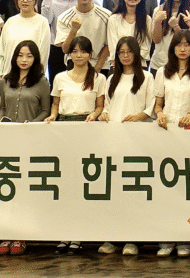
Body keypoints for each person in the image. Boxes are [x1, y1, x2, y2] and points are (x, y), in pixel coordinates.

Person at [45, 36, 107, 256]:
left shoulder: (99, 78)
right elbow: (55, 104)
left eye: (83, 51)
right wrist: (52, 117)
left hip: (87, 130)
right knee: (65, 184)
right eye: (75, 51)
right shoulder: (60, 77)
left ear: (91, 54)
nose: (79, 55)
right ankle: (63, 235)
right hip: (63, 129)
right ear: (69, 54)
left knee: (83, 184)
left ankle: (79, 236)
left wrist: (94, 114)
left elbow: (100, 106)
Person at [97, 36, 155, 256]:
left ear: (136, 54)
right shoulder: (112, 78)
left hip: (138, 140)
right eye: (121, 52)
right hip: (114, 141)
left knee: (134, 191)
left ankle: (133, 239)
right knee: (114, 192)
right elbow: (109, 106)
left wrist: (141, 115)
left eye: (129, 51)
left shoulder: (148, 77)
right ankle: (111, 238)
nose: (125, 55)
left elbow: (152, 105)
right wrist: (104, 114)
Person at [154, 30, 190, 257]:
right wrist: (159, 114)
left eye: (187, 45)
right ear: (173, 48)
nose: (183, 48)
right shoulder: (161, 73)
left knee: (187, 189)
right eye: (179, 45)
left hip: (188, 135)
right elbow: (157, 105)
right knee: (166, 189)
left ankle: (186, 238)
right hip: (165, 134)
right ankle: (166, 239)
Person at [0, 40, 50, 256]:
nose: (24, 60)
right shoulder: (5, 81)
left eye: (28, 56)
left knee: (25, 190)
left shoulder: (42, 82)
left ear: (35, 59)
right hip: (7, 142)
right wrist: (0, 121)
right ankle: (6, 234)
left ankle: (21, 236)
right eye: (20, 55)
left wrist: (32, 125)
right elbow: (2, 108)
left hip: (31, 141)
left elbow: (45, 110)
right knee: (8, 188)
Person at [56, 0, 111, 76]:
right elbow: (65, 49)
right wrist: (74, 30)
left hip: (100, 65)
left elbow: (108, 45)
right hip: (74, 65)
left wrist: (97, 67)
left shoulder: (107, 16)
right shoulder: (64, 17)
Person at [0, 0, 51, 76]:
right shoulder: (10, 21)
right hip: (8, 76)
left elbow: (43, 53)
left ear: (36, 1)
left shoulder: (42, 22)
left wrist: (37, 75)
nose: (25, 1)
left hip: (32, 77)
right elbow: (1, 50)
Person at [150, 0, 190, 74]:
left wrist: (176, 27)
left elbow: (189, 43)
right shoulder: (159, 10)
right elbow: (156, 40)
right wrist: (158, 21)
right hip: (159, 63)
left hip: (181, 64)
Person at [42, 0, 79, 80]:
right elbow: (46, 20)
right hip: (57, 49)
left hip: (79, 48)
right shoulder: (52, 0)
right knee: (56, 83)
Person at [106, 0, 153, 67]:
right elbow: (113, 45)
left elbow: (146, 45)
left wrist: (132, 60)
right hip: (118, 65)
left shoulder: (147, 19)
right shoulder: (113, 19)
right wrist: (122, 59)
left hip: (139, 65)